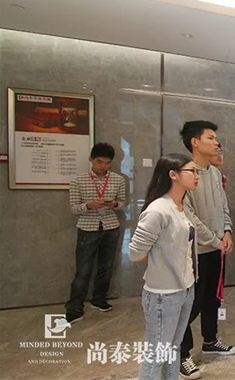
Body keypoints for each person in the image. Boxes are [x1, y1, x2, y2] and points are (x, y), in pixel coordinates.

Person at [129, 153, 199, 380]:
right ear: (173, 175)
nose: (197, 175)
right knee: (157, 353)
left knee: (173, 348)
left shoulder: (181, 205)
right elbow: (135, 253)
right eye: (192, 171)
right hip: (163, 293)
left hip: (185, 287)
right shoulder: (158, 210)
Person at [177, 121, 235, 379]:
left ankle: (210, 340)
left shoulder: (213, 172)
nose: (216, 142)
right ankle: (181, 354)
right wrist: (214, 239)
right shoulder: (184, 172)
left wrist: (227, 231)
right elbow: (189, 216)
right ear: (195, 142)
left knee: (213, 298)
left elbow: (223, 206)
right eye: (210, 138)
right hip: (195, 251)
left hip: (215, 247)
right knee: (192, 303)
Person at [65, 142, 126, 323]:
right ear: (91, 160)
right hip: (87, 227)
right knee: (83, 270)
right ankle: (75, 307)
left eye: (107, 163)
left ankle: (99, 300)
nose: (103, 166)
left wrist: (114, 204)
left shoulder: (118, 180)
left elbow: (122, 203)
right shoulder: (78, 180)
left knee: (106, 267)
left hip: (110, 226)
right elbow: (74, 208)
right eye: (99, 162)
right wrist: (89, 205)